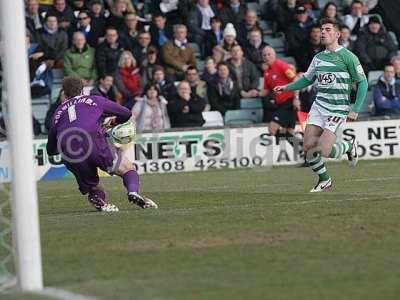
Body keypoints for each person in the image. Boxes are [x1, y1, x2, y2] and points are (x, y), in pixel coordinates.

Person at [273, 18, 368, 192]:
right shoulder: (318, 58)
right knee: (309, 148)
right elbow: (307, 80)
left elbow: (363, 83)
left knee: (324, 150)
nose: (323, 32)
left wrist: (355, 109)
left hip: (338, 109)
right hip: (319, 107)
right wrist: (286, 87)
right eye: (322, 29)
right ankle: (325, 180)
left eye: (327, 29)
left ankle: (348, 145)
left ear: (337, 34)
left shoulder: (348, 57)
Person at [46, 76, 158, 211]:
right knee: (127, 169)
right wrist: (112, 123)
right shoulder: (94, 100)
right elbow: (126, 113)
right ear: (82, 90)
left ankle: (100, 201)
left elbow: (51, 150)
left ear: (64, 93)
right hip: (93, 141)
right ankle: (133, 191)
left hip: (69, 151)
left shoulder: (57, 113)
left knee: (93, 186)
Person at [260, 46, 300, 136]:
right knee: (289, 133)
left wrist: (296, 98)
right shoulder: (266, 72)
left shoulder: (280, 65)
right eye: (264, 55)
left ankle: (303, 143)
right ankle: (302, 147)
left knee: (272, 128)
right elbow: (266, 90)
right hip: (280, 104)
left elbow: (296, 79)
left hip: (289, 103)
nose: (267, 57)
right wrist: (255, 93)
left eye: (269, 54)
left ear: (274, 55)